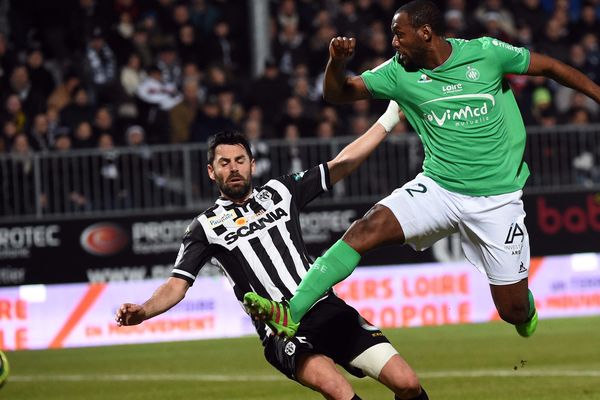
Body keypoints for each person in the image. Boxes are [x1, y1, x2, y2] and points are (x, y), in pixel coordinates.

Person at [244, 0, 600, 341]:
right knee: (365, 229)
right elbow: (338, 95)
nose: (394, 42)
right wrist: (336, 63)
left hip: (497, 199)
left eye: (400, 35)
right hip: (439, 188)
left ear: (426, 33)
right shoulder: (398, 72)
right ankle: (291, 312)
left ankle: (524, 308)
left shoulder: (486, 53)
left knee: (513, 311)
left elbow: (552, 67)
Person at [115, 107, 430, 400]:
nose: (233, 168)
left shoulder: (280, 192)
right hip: (280, 330)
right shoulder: (204, 227)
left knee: (407, 383)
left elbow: (341, 163)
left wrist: (389, 117)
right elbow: (176, 285)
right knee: (337, 389)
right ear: (212, 172)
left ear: (252, 164)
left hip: (327, 309)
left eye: (240, 160)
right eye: (224, 163)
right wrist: (144, 311)